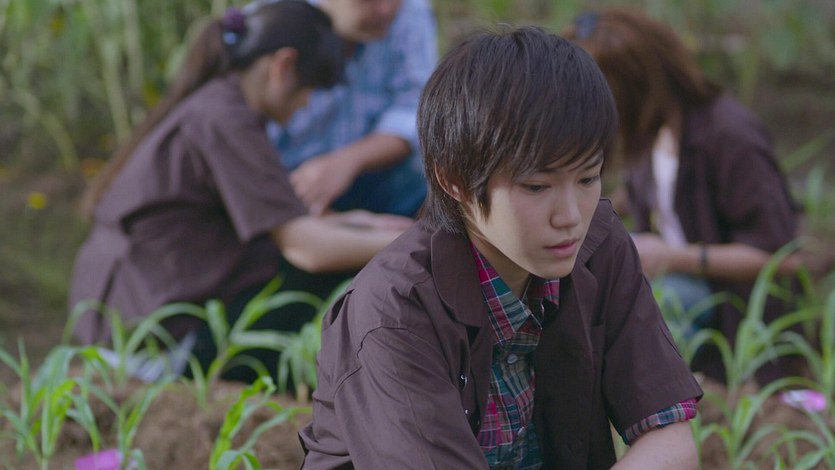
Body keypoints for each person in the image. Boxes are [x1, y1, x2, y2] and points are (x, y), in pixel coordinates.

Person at [299, 26, 702, 469]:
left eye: (588, 178)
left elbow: (671, 439)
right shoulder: (395, 311)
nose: (570, 215)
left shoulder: (598, 244)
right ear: (454, 179)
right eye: (536, 187)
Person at [68, 0, 411, 379]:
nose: (306, 104)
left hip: (127, 322)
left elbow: (289, 222)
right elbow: (307, 249)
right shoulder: (226, 121)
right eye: (309, 90)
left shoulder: (218, 106)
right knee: (328, 277)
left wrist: (360, 222)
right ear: (282, 65)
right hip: (154, 345)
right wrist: (415, 245)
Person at [564, 8, 804, 386]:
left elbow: (784, 258)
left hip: (727, 305)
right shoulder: (652, 131)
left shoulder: (729, 137)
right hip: (678, 274)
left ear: (632, 88)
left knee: (634, 311)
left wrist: (675, 257)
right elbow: (654, 190)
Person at [267, 0, 438, 217]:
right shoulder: (272, 23)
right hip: (289, 182)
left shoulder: (411, 10)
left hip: (375, 172)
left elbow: (416, 109)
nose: (386, 9)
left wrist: (348, 161)